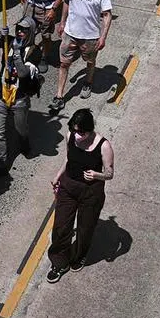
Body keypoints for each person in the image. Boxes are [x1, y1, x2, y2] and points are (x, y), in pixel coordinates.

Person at [45, 109, 115, 283]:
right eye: (74, 130)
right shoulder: (71, 136)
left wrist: (97, 175)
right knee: (61, 226)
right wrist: (57, 177)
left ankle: (78, 256)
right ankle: (59, 262)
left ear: (89, 129)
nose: (77, 135)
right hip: (68, 187)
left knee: (85, 228)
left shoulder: (104, 145)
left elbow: (110, 173)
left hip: (90, 193)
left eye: (81, 132)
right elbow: (68, 159)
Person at [52, 0, 112, 110]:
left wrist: (103, 37)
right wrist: (63, 22)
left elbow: (107, 15)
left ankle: (88, 82)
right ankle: (59, 96)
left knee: (90, 61)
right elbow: (67, 1)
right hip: (70, 33)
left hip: (90, 36)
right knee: (64, 64)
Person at [0, 18, 43, 180]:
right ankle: (2, 164)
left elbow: (24, 73)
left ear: (31, 33)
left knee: (20, 128)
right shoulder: (9, 41)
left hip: (19, 98)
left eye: (24, 30)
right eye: (18, 28)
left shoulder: (34, 51)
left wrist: (17, 53)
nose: (19, 32)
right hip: (2, 96)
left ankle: (24, 142)